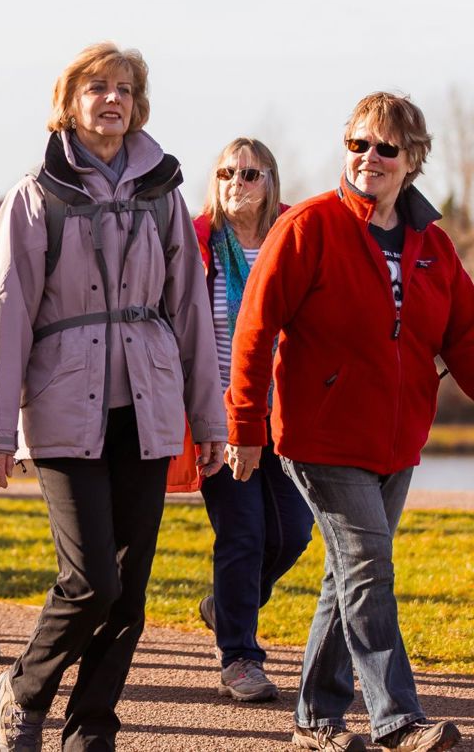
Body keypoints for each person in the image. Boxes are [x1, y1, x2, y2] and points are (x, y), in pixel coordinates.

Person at [0, 42, 227, 752]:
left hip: (147, 410)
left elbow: (188, 310)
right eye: (97, 87)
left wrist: (208, 419)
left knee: (130, 588)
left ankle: (92, 728)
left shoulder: (165, 194)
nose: (111, 99)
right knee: (91, 582)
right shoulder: (37, 194)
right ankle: (24, 690)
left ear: (137, 105)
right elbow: (8, 309)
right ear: (71, 100)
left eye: (124, 88)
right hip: (63, 407)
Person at [227, 93, 468, 752]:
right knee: (368, 569)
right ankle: (397, 720)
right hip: (321, 436)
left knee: (347, 577)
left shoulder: (434, 247)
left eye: (386, 147)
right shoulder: (310, 226)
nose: (369, 158)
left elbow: (465, 337)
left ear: (411, 159)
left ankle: (316, 722)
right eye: (358, 143)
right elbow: (255, 329)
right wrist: (246, 426)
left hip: (396, 442)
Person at [187, 139, 313, 702]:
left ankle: (224, 606)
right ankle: (239, 656)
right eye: (225, 172)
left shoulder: (295, 238)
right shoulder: (194, 242)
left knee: (293, 533)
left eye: (250, 173)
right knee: (242, 533)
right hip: (219, 415)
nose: (236, 181)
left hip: (284, 416)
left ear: (271, 182)